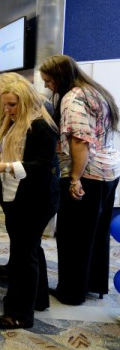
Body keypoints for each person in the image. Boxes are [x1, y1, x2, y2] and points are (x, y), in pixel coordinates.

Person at [40, 54, 120, 305]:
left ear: (59, 77)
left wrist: (75, 178)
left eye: (48, 81)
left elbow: (80, 140)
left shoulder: (73, 97)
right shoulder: (95, 91)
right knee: (94, 235)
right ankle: (92, 284)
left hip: (87, 174)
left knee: (73, 236)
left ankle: (71, 292)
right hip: (109, 171)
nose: (46, 86)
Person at [0, 73, 59, 329]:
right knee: (29, 250)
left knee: (23, 255)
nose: (6, 109)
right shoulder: (11, 122)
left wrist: (6, 166)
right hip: (16, 195)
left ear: (25, 101)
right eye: (5, 104)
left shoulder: (41, 125)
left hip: (34, 199)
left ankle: (20, 314)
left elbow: (42, 165)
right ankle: (37, 301)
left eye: (12, 104)